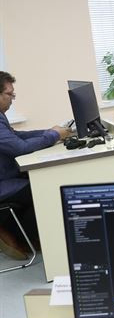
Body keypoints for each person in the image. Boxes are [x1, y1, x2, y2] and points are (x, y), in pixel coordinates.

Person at [0, 71, 73, 259]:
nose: (12, 99)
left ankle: (27, 235)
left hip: (7, 175)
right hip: (4, 181)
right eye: (10, 94)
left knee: (45, 180)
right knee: (45, 187)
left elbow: (16, 136)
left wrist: (50, 132)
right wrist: (53, 136)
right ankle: (26, 238)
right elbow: (20, 147)